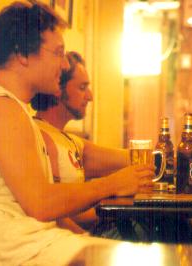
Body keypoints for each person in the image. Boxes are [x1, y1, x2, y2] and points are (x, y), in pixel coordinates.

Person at [0, 2, 154, 265]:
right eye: (58, 53)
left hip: (19, 241)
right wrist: (113, 184)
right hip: (0, 246)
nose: (63, 65)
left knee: (136, 254)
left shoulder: (12, 108)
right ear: (23, 55)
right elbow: (41, 203)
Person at [30, 51, 128, 233]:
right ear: (57, 89)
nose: (90, 96)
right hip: (74, 238)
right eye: (82, 87)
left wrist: (165, 158)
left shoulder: (71, 140)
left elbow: (129, 158)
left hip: (95, 228)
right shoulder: (40, 136)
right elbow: (55, 214)